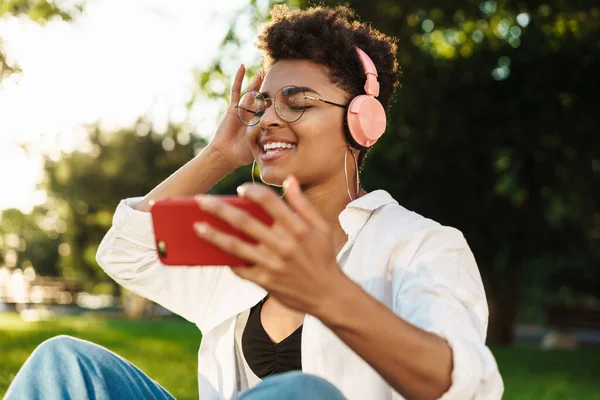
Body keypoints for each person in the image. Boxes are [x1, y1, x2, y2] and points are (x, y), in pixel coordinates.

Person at [5, 4, 504, 400]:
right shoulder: (246, 241)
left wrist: (328, 292)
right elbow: (124, 252)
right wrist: (220, 154)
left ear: (362, 122)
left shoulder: (422, 246)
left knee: (302, 393)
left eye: (298, 102)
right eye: (264, 103)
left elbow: (464, 385)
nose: (268, 118)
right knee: (62, 362)